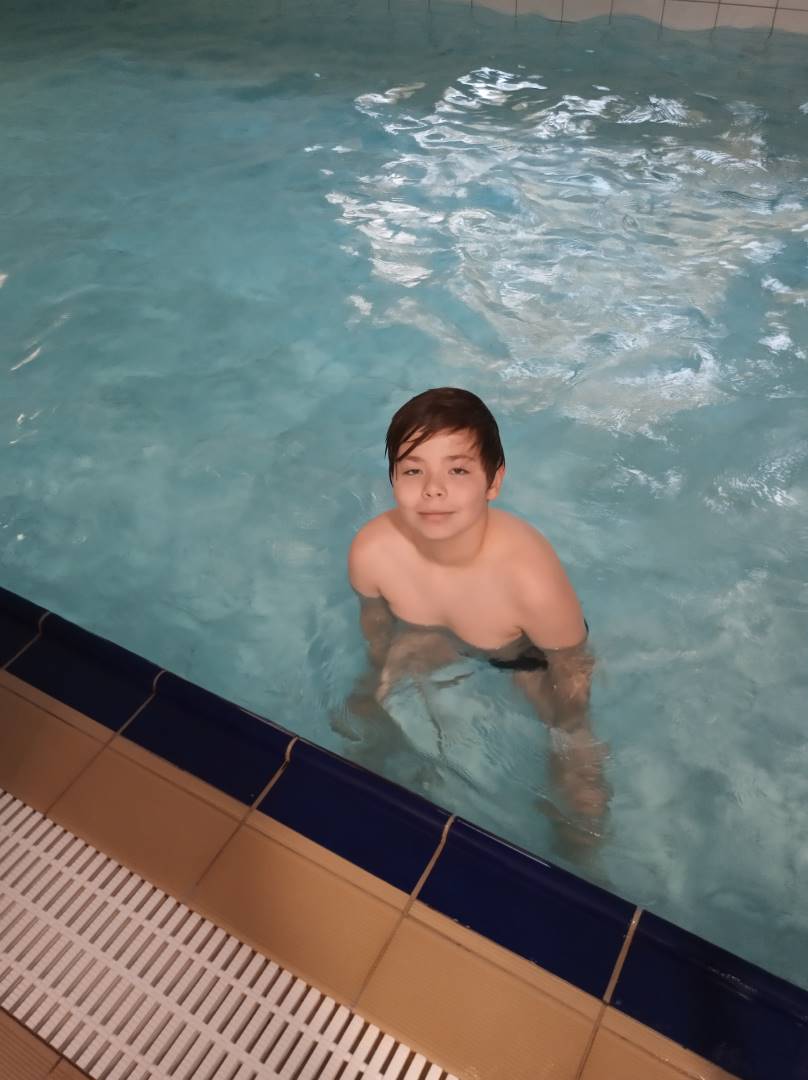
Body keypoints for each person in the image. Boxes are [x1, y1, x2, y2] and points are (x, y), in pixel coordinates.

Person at [346, 386, 608, 849]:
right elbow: (377, 627)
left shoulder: (529, 579)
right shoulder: (373, 553)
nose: (433, 488)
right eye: (413, 470)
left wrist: (570, 727)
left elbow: (570, 663)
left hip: (522, 656)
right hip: (428, 635)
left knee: (575, 757)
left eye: (458, 469)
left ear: (493, 481)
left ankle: (583, 856)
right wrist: (373, 680)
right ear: (392, 479)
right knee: (367, 710)